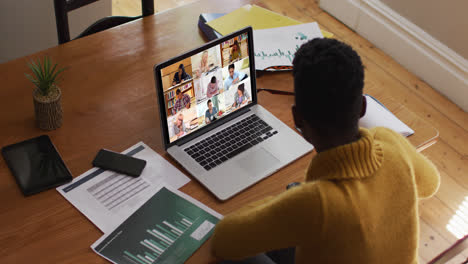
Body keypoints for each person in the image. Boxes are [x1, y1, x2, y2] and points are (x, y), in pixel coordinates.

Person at [211, 38, 440, 264]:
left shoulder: (314, 203)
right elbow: (430, 183)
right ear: (362, 106)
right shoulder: (391, 141)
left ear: (297, 118)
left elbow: (224, 240)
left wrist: (288, 203)